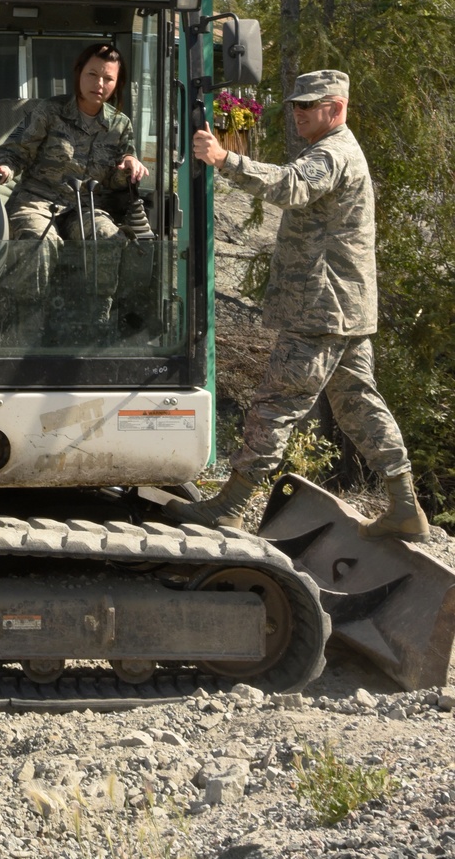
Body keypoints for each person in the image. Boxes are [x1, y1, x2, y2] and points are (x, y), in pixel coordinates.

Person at [167, 68, 429, 542]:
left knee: (277, 403)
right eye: (295, 105)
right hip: (340, 308)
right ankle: (404, 506)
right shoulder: (334, 150)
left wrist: (225, 159)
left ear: (337, 107)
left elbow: (290, 186)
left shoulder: (331, 153)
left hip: (320, 309)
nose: (299, 113)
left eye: (309, 105)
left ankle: (233, 505)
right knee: (358, 407)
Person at [0, 43, 150, 327]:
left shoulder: (120, 125)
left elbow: (118, 177)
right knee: (39, 241)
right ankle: (29, 322)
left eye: (108, 78)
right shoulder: (49, 111)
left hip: (86, 206)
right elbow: (16, 152)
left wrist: (129, 167)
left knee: (108, 238)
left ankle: (95, 324)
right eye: (92, 74)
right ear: (79, 74)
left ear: (116, 83)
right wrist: (4, 168)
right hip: (37, 201)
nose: (99, 83)